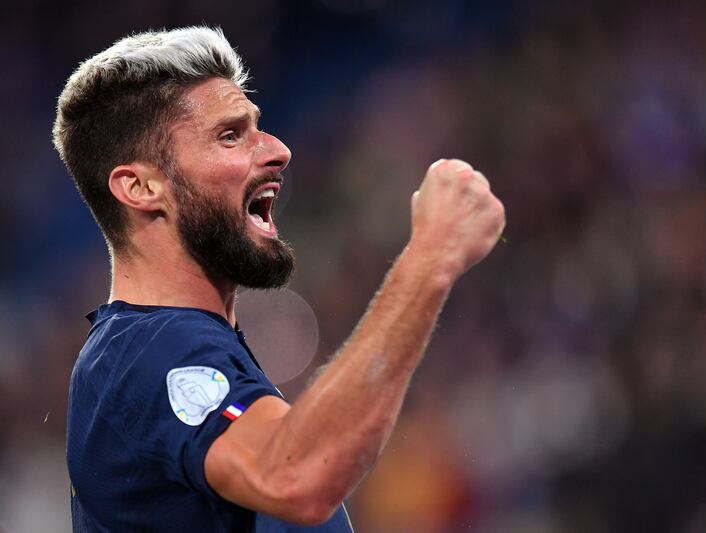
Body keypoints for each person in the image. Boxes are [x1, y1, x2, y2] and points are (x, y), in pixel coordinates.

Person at [53, 26, 505, 532]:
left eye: (257, 126)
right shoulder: (155, 351)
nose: (278, 149)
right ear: (140, 187)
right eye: (230, 135)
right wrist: (430, 260)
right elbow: (298, 478)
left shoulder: (158, 348)